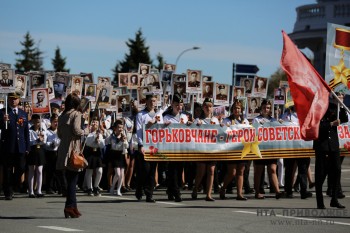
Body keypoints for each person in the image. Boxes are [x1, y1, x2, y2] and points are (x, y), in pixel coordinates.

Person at [57, 93, 89, 218]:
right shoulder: (76, 114)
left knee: (71, 178)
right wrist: (86, 131)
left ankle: (73, 206)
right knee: (73, 179)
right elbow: (76, 130)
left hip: (63, 148)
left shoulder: (62, 115)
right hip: (73, 149)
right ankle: (69, 207)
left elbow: (59, 134)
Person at [313, 96, 348, 209]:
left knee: (337, 170)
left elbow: (344, 118)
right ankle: (319, 201)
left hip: (333, 145)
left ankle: (334, 199)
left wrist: (341, 105)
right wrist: (331, 124)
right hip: (322, 145)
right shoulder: (317, 109)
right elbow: (316, 126)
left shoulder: (335, 107)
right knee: (321, 173)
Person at [0, 91, 30, 200]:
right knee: (7, 169)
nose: (14, 100)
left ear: (19, 100)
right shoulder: (3, 112)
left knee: (21, 167)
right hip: (8, 145)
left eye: (15, 99)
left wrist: (27, 146)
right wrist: (3, 122)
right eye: (12, 99)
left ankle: (11, 184)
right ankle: (8, 191)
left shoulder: (23, 113)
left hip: (20, 146)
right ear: (8, 100)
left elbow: (25, 131)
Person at [135, 93, 164, 202]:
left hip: (155, 145)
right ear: (146, 102)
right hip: (145, 145)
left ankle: (149, 193)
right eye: (151, 101)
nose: (152, 103)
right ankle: (139, 188)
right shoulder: (141, 115)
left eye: (154, 101)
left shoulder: (158, 115)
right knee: (145, 170)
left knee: (152, 170)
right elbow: (138, 131)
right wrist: (140, 144)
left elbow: (161, 130)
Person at [252, 99, 283, 199]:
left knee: (273, 169)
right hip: (260, 148)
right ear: (261, 108)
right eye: (265, 107)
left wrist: (281, 123)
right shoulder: (256, 120)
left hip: (271, 149)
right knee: (259, 171)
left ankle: (277, 191)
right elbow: (254, 131)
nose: (266, 109)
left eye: (268, 108)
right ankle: (257, 192)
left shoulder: (273, 120)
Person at [220, 100, 249, 200]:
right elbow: (223, 132)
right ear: (232, 109)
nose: (237, 110)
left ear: (241, 110)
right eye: (235, 108)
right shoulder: (227, 120)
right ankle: (223, 188)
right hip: (231, 148)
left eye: (239, 108)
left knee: (241, 171)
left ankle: (239, 193)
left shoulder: (245, 121)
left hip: (242, 148)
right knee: (232, 172)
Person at [281, 106, 313, 199]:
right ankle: (288, 190)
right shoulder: (285, 116)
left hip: (303, 146)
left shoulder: (307, 115)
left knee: (303, 169)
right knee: (289, 169)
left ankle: (303, 191)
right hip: (290, 146)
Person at [191, 97, 219, 201]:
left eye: (210, 106)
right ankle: (195, 188)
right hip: (202, 149)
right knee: (201, 171)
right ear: (203, 107)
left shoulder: (215, 120)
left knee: (211, 170)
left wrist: (221, 126)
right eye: (206, 106)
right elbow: (192, 132)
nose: (208, 108)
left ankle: (208, 193)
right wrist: (196, 125)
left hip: (212, 149)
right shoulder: (199, 120)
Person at [163, 94, 189, 202]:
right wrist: (164, 126)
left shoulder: (184, 117)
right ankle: (177, 193)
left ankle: (170, 190)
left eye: (181, 105)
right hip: (171, 147)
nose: (179, 107)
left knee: (179, 170)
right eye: (177, 105)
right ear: (172, 104)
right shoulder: (166, 117)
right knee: (173, 170)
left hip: (181, 147)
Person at [106, 119, 128, 196]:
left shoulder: (123, 136)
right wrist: (120, 141)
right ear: (115, 128)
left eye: (121, 127)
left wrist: (124, 141)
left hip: (121, 155)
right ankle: (112, 187)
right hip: (115, 155)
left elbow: (127, 146)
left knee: (122, 174)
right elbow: (114, 146)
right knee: (117, 174)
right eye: (118, 127)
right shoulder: (112, 137)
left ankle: (118, 189)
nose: (120, 129)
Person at [83, 117, 105, 196]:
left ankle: (96, 187)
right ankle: (89, 188)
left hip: (97, 152)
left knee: (99, 171)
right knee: (89, 171)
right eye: (93, 122)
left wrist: (99, 141)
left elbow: (102, 145)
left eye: (96, 122)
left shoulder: (100, 133)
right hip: (90, 152)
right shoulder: (88, 133)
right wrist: (93, 138)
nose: (94, 124)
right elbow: (87, 143)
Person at [28, 114, 47, 198]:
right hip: (32, 150)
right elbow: (29, 142)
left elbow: (45, 142)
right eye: (35, 122)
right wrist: (37, 140)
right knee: (31, 170)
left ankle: (39, 190)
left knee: (39, 171)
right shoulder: (29, 131)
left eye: (38, 122)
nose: (37, 123)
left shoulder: (42, 130)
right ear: (32, 122)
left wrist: (42, 138)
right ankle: (31, 191)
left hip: (40, 150)